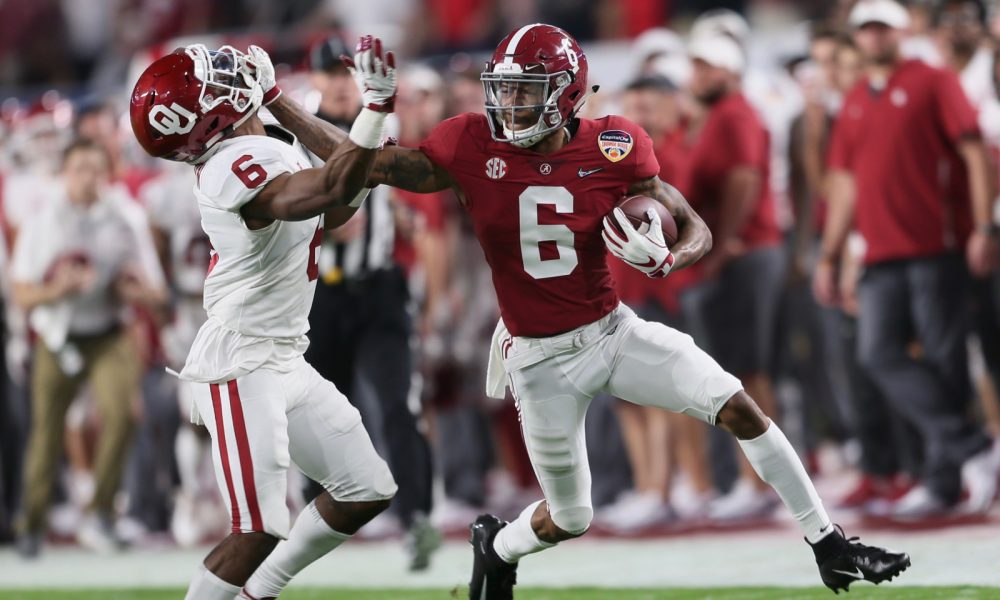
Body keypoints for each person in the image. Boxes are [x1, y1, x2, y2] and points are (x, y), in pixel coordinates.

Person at [264, 23, 910, 598]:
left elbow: (694, 225)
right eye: (505, 89)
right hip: (538, 358)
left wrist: (670, 258)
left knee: (739, 405)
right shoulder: (467, 145)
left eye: (527, 90)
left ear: (568, 92)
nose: (510, 104)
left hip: (611, 332)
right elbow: (359, 168)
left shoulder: (615, 146)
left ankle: (829, 544)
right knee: (571, 517)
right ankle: (499, 546)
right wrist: (280, 105)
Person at [129, 38, 398, 600]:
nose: (232, 76)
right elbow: (335, 184)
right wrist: (372, 109)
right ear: (209, 115)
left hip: (283, 354)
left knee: (365, 488)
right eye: (216, 81)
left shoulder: (265, 145)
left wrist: (276, 99)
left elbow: (347, 196)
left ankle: (260, 592)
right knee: (259, 525)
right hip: (240, 360)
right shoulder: (229, 166)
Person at [815, 0, 1000, 519]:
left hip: (936, 246)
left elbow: (973, 151)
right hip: (879, 254)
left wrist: (984, 226)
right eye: (866, 30)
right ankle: (973, 447)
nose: (874, 38)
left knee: (945, 363)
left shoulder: (934, 80)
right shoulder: (854, 100)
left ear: (901, 31)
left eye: (882, 28)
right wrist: (830, 255)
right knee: (877, 354)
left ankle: (945, 483)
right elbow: (845, 185)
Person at [303, 37, 439, 570]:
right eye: (329, 73)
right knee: (312, 413)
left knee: (396, 404)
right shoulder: (293, 135)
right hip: (319, 296)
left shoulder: (384, 123)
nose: (339, 82)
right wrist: (322, 223)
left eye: (345, 73)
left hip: (379, 290)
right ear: (314, 79)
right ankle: (312, 521)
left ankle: (417, 520)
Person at [11, 138, 167, 557]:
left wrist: (136, 292)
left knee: (122, 415)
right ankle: (33, 522)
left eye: (96, 169)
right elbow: (22, 294)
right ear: (64, 173)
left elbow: (156, 292)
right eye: (79, 169)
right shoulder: (44, 220)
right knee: (46, 430)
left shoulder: (126, 218)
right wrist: (56, 291)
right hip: (58, 331)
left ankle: (100, 513)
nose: (88, 179)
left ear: (108, 174)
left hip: (108, 328)